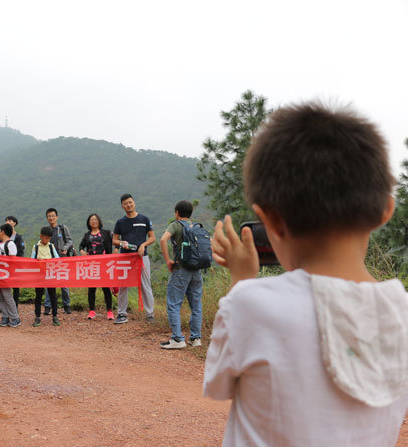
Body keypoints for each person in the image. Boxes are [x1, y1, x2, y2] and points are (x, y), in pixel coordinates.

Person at [204, 102, 408, 446]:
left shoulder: (250, 304)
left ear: (270, 220)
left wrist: (241, 281)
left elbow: (218, 385)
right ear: (385, 211)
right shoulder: (401, 311)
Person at [159, 200, 203, 349]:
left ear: (177, 213)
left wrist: (168, 260)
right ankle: (196, 339)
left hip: (181, 269)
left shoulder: (176, 225)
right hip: (197, 271)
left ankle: (177, 339)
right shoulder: (195, 227)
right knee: (196, 305)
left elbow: (163, 239)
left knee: (174, 304)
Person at [112, 194, 156, 324]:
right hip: (125, 257)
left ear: (134, 203)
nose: (128, 205)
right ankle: (121, 314)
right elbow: (114, 240)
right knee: (123, 285)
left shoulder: (144, 219)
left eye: (130, 202)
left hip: (142, 257)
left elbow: (152, 237)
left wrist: (143, 245)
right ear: (122, 206)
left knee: (145, 284)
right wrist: (121, 243)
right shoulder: (120, 222)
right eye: (125, 203)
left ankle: (150, 314)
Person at [79, 213, 114, 320]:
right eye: (91, 220)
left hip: (104, 264)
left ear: (99, 221)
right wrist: (81, 251)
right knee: (92, 288)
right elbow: (81, 245)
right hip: (92, 265)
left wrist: (115, 253)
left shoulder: (106, 233)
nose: (93, 221)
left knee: (106, 288)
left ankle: (109, 311)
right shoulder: (87, 235)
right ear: (89, 223)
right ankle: (92, 311)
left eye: (95, 219)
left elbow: (116, 241)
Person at [44, 208, 73, 315]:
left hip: (62, 259)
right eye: (49, 216)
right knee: (49, 284)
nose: (51, 218)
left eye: (53, 215)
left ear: (57, 216)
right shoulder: (46, 230)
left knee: (64, 283)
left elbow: (70, 240)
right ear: (47, 218)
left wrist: (65, 247)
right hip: (49, 260)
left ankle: (67, 305)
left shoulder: (62, 228)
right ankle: (48, 306)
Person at [31, 226, 61, 327]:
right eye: (45, 238)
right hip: (39, 275)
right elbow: (32, 260)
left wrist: (50, 261)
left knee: (53, 295)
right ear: (41, 236)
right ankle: (37, 317)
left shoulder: (51, 246)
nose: (47, 240)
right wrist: (37, 260)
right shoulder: (36, 247)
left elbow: (57, 258)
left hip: (50, 274)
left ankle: (55, 316)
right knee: (39, 296)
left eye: (49, 238)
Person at [0, 224, 20, 327]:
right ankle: (5, 317)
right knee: (0, 296)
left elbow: (12, 260)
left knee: (7, 296)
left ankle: (15, 317)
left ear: (2, 232)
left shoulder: (10, 244)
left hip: (6, 275)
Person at [5, 215, 25, 310]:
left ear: (15, 223)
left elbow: (20, 252)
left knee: (15, 287)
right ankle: (6, 305)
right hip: (5, 266)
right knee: (5, 285)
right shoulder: (4, 237)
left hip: (15, 265)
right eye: (6, 220)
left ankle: (15, 306)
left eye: (9, 220)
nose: (7, 222)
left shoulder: (18, 237)